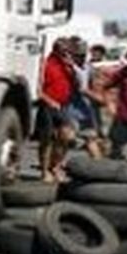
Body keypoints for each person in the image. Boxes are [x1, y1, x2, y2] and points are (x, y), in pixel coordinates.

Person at [36, 38, 77, 181]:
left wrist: (72, 68)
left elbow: (76, 85)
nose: (66, 53)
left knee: (67, 136)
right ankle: (45, 170)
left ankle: (56, 165)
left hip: (63, 104)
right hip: (48, 104)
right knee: (47, 140)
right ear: (56, 49)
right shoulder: (45, 64)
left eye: (68, 50)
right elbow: (38, 88)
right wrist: (49, 100)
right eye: (63, 50)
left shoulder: (67, 66)